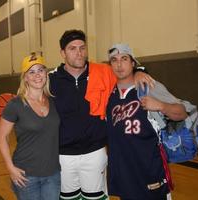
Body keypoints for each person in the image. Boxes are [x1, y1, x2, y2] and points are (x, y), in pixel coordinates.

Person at [49, 30, 154, 200]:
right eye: (72, 48)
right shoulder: (51, 80)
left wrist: (140, 71)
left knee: (95, 198)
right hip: (63, 154)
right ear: (63, 53)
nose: (79, 52)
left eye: (82, 47)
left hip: (94, 151)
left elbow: (124, 71)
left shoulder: (102, 72)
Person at [106, 43, 188, 200]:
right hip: (124, 175)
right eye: (114, 60)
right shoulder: (109, 93)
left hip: (150, 172)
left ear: (133, 63)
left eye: (124, 59)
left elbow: (182, 112)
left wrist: (161, 105)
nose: (119, 64)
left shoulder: (149, 86)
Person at [0, 54, 61, 200]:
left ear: (46, 73)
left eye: (40, 70)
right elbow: (2, 137)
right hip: (26, 176)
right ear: (25, 77)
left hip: (53, 174)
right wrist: (10, 167)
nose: (37, 75)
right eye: (31, 72)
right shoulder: (15, 105)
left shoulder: (53, 101)